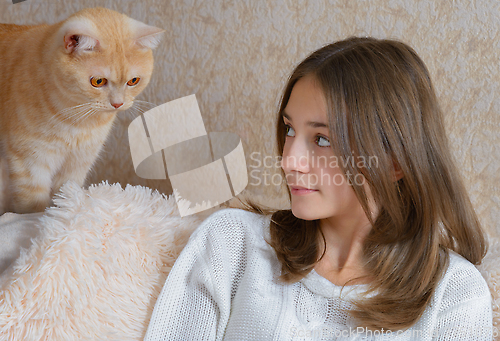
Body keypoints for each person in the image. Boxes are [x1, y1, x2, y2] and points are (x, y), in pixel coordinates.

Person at [144, 37, 492, 340]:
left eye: (322, 138)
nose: (289, 160)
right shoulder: (230, 246)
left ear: (394, 163)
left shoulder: (453, 294)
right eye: (290, 130)